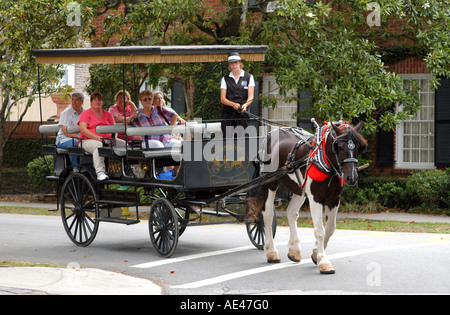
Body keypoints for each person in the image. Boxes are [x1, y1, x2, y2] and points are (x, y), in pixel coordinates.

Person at [78, 92, 126, 181]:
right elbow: (84, 130)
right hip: (87, 140)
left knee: (125, 144)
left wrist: (114, 138)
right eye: (95, 100)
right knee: (98, 146)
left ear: (102, 102)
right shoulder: (86, 114)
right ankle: (100, 172)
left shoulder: (108, 114)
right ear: (91, 102)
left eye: (99, 100)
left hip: (107, 140)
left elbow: (114, 129)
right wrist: (98, 138)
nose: (97, 102)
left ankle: (127, 170)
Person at [220, 52, 255, 137]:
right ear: (229, 65)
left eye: (235, 62)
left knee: (242, 142)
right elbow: (222, 99)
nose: (234, 65)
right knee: (227, 141)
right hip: (228, 116)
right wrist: (232, 104)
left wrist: (246, 105)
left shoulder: (249, 77)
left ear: (240, 63)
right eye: (231, 63)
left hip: (242, 115)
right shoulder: (225, 79)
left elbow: (251, 96)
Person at [56, 92, 84, 169]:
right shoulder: (66, 113)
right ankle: (76, 168)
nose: (74, 102)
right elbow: (65, 131)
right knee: (74, 143)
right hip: (64, 139)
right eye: (73, 100)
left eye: (77, 100)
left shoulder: (85, 113)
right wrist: (78, 138)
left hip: (81, 138)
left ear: (82, 102)